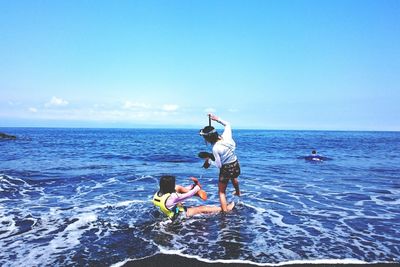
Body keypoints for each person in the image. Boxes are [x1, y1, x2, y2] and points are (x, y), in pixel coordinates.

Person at [199, 113, 241, 212]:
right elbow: (227, 124)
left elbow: (219, 165)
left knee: (221, 192)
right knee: (234, 177)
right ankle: (238, 192)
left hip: (226, 169)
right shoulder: (227, 137)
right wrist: (216, 119)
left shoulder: (215, 148)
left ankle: (225, 213)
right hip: (235, 164)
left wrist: (209, 160)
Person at [152, 175, 235, 221]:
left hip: (166, 213)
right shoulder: (172, 197)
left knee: (179, 191)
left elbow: (179, 191)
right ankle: (225, 209)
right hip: (176, 215)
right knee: (201, 208)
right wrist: (197, 187)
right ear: (170, 185)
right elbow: (188, 195)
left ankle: (193, 189)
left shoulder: (157, 193)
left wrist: (192, 186)